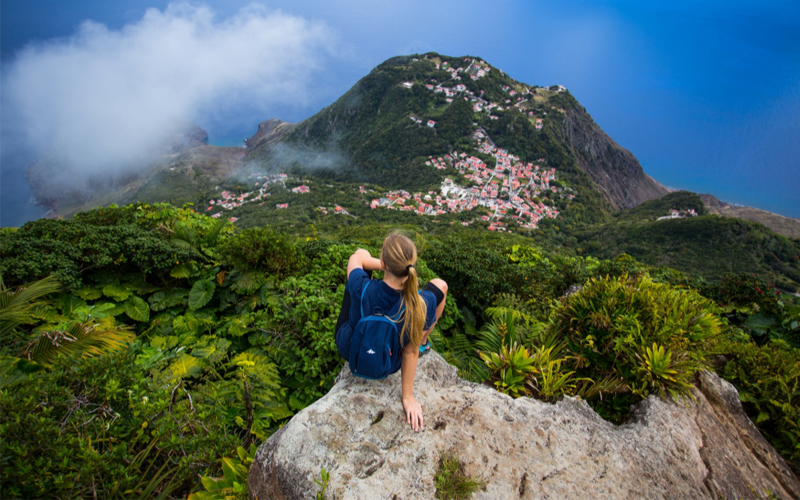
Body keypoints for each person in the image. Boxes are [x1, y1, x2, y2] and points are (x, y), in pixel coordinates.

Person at [334, 233, 448, 432]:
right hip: (390, 362)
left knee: (359, 263)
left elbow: (357, 258)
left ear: (384, 262)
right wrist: (407, 397)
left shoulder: (362, 287)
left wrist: (386, 265)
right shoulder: (419, 305)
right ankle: (422, 339)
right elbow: (409, 353)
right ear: (410, 267)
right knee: (441, 285)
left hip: (350, 348)